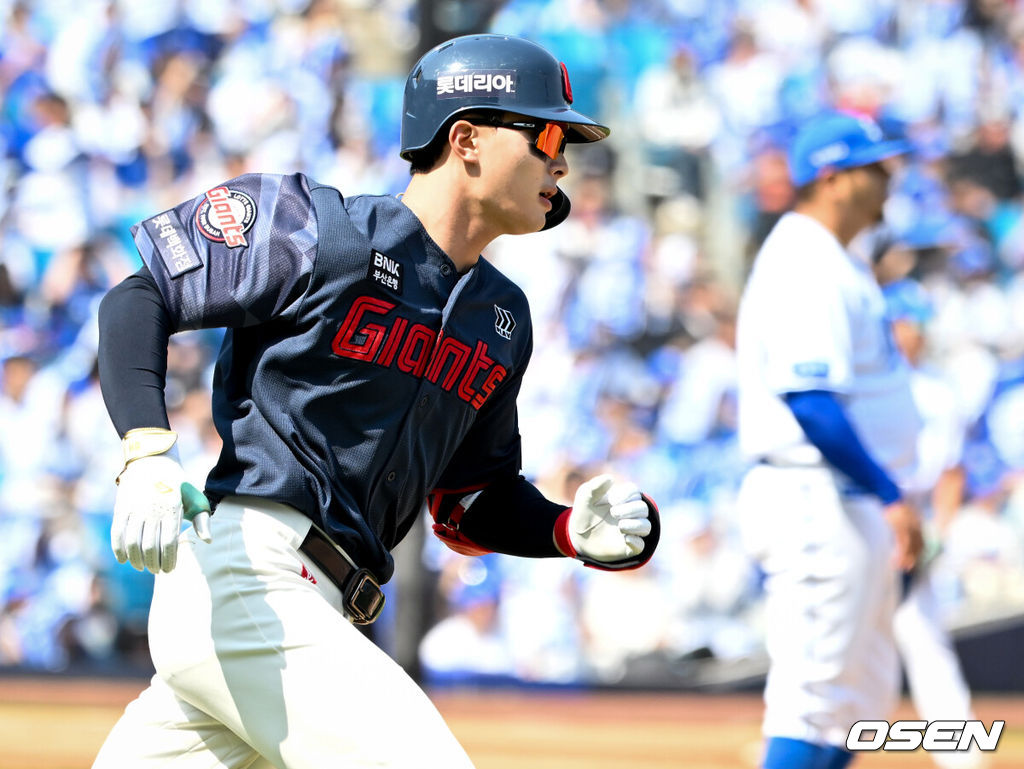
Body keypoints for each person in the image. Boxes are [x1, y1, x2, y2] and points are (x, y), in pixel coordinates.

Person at [91, 33, 660, 769]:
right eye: (546, 133)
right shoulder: (322, 230)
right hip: (249, 576)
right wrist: (144, 450)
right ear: (467, 139)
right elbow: (142, 295)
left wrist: (562, 529)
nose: (561, 159)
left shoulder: (501, 316)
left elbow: (465, 502)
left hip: (317, 608)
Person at [734, 111, 925, 769]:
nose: (889, 177)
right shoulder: (803, 258)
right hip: (814, 489)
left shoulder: (837, 260)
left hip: (847, 495)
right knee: (810, 701)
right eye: (876, 167)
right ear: (835, 178)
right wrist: (888, 491)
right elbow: (812, 404)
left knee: (855, 708)